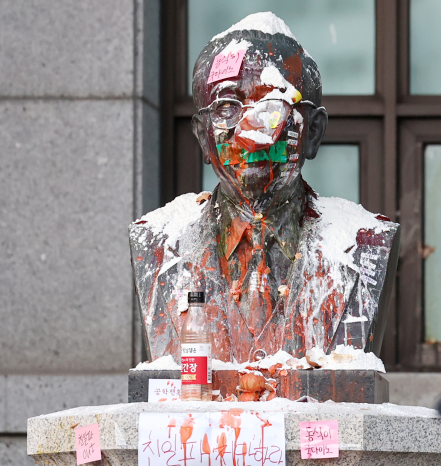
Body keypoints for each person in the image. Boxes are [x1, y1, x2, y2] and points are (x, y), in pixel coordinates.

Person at [129, 12, 399, 364]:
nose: (251, 133)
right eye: (227, 108)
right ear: (203, 137)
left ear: (313, 133)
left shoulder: (368, 243)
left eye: (273, 107)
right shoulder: (155, 241)